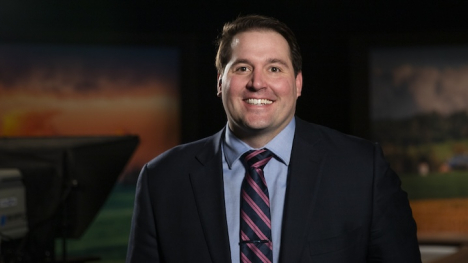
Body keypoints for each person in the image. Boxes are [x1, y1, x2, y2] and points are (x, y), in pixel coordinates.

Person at [126, 15, 421, 263]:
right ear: (220, 82)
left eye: (274, 68)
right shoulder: (162, 179)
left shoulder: (361, 169)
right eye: (242, 68)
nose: (257, 83)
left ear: (298, 84)